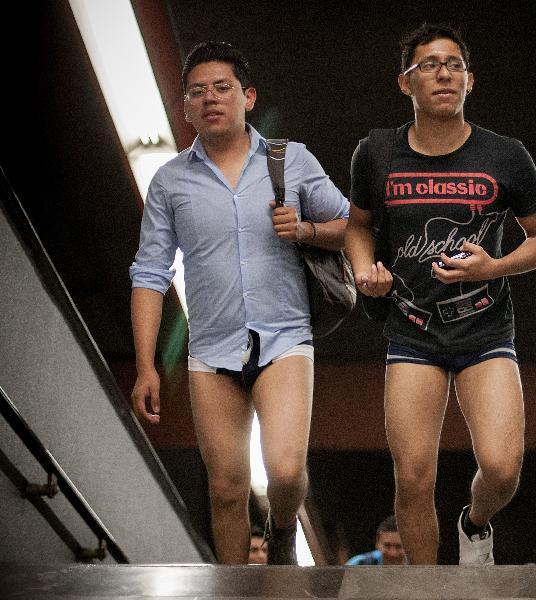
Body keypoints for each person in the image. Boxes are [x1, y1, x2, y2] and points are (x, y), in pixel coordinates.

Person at [344, 23, 536, 565]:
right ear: (405, 83)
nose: (443, 73)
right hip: (411, 329)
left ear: (470, 80)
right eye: (429, 65)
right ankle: (426, 587)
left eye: (454, 64)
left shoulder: (506, 155)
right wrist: (365, 266)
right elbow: (358, 226)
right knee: (414, 476)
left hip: (485, 327)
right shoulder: (376, 153)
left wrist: (497, 265)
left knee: (504, 467)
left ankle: (475, 522)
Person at [129, 41, 349, 564]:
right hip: (211, 350)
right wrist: (146, 367)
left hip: (285, 338)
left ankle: (279, 532)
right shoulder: (170, 181)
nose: (210, 99)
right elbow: (149, 272)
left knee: (287, 470)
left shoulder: (289, 160)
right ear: (184, 108)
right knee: (226, 488)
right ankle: (232, 589)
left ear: (248, 96)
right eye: (197, 92)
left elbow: (350, 226)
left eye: (222, 88)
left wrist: (307, 228)